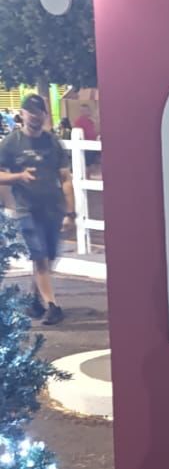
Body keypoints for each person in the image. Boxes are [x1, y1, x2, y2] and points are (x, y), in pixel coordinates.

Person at [0, 94, 75, 325]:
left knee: (49, 256)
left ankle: (34, 298)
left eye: (39, 113)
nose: (35, 117)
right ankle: (52, 306)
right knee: (39, 255)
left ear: (44, 115)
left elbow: (65, 178)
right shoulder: (11, 143)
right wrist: (19, 176)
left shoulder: (53, 143)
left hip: (53, 209)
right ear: (22, 114)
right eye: (30, 112)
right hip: (27, 209)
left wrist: (70, 212)